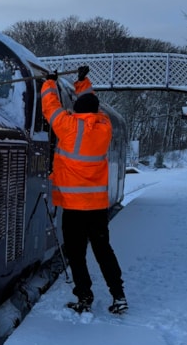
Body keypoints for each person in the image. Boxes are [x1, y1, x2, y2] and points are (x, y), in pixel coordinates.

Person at [41, 74, 127, 314]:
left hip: (73, 207)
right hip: (97, 207)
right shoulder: (104, 126)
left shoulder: (68, 127)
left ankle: (84, 296)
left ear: (76, 111)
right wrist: (83, 84)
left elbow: (50, 106)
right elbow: (92, 104)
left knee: (76, 254)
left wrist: (48, 83)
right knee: (104, 251)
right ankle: (118, 295)